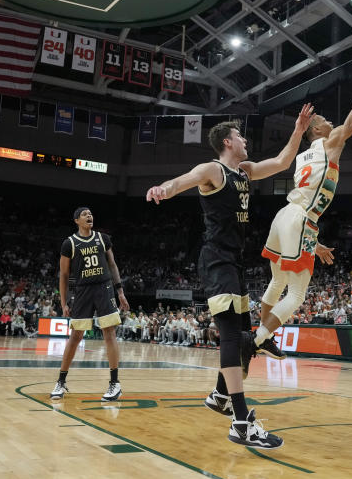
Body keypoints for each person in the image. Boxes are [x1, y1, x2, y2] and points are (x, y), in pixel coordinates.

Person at [146, 105, 314, 449]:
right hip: (216, 260)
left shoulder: (246, 172)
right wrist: (163, 189)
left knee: (246, 340)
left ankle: (220, 396)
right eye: (240, 136)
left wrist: (298, 129)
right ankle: (240, 422)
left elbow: (282, 162)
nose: (245, 139)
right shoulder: (214, 169)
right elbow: (183, 180)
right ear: (227, 141)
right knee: (231, 338)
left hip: (235, 263)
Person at [255, 51, 352, 358]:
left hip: (284, 217)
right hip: (300, 219)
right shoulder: (329, 143)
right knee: (296, 294)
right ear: (317, 130)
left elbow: (306, 196)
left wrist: (313, 241)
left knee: (277, 280)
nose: (331, 122)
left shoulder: (303, 157)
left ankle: (261, 334)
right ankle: (256, 338)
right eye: (325, 120)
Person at [50, 208, 130, 402]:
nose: (89, 216)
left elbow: (112, 265)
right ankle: (61, 381)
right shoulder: (69, 243)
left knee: (109, 333)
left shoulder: (103, 238)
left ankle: (114, 383)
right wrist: (63, 301)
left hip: (104, 288)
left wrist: (120, 291)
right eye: (85, 214)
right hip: (83, 290)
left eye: (91, 213)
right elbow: (64, 275)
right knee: (75, 336)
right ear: (77, 220)